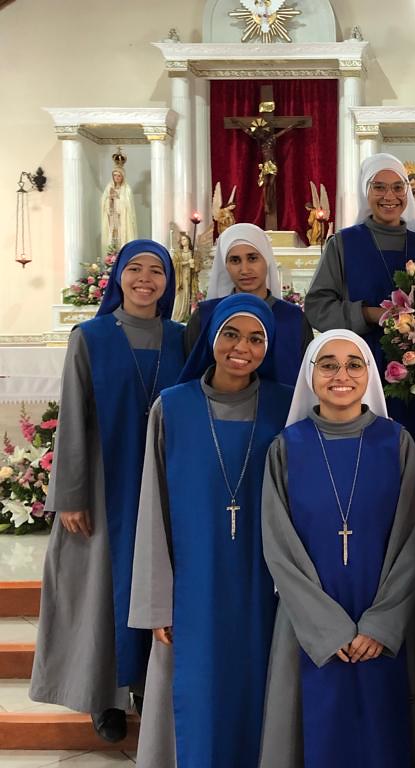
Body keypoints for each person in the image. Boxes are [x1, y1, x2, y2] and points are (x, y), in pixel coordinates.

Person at [30, 240, 185, 742]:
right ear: (118, 276)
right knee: (100, 591)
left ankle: (144, 684)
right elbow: (73, 417)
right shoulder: (90, 336)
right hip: (101, 484)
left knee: (159, 582)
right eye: (135, 269)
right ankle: (103, 696)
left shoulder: (183, 338)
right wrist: (69, 493)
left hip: (164, 484)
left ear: (168, 282)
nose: (145, 279)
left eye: (156, 270)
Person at [129, 294, 293, 768]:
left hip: (265, 583)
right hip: (193, 588)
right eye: (231, 334)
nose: (243, 347)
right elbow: (153, 507)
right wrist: (158, 601)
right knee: (196, 691)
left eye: (257, 337)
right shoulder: (173, 408)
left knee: (260, 689)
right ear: (211, 338)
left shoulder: (286, 408)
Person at [259, 330, 415, 768]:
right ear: (310, 374)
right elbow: (279, 547)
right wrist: (327, 628)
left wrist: (380, 623)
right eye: (329, 364)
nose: (342, 374)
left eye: (355, 364)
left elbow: (414, 538)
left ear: (369, 375)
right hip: (308, 624)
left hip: (386, 620)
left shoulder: (396, 443)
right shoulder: (286, 448)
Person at [304, 153, 415, 590]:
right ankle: (359, 571)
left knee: (413, 474)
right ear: (366, 193)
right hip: (356, 383)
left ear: (409, 194)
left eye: (398, 188)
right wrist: (367, 313)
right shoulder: (343, 244)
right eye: (380, 188)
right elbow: (318, 305)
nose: (390, 196)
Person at [182, 222, 310, 384]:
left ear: (267, 260)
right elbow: (192, 375)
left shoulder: (293, 318)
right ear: (225, 265)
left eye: (252, 258)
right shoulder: (205, 316)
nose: (245, 269)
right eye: (235, 260)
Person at [101, 151, 137, 249]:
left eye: (119, 175)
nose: (116, 178)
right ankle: (111, 257)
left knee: (122, 237)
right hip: (112, 218)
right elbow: (103, 203)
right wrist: (109, 199)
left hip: (122, 219)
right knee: (112, 237)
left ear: (122, 177)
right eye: (115, 175)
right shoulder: (109, 187)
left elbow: (128, 205)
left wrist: (118, 197)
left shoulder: (127, 189)